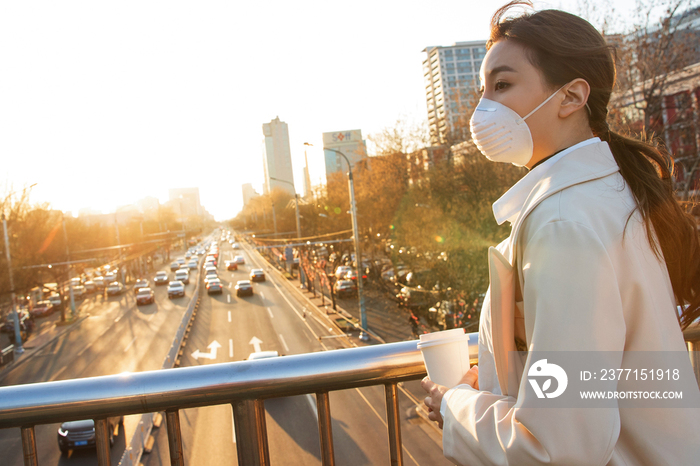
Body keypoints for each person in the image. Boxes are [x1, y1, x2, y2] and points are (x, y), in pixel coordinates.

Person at [421, 2, 700, 465]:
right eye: (483, 89)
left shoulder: (564, 223)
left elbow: (554, 448)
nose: (483, 108)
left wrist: (455, 405)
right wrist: (500, 382)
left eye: (503, 84)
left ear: (571, 97)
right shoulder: (609, 195)